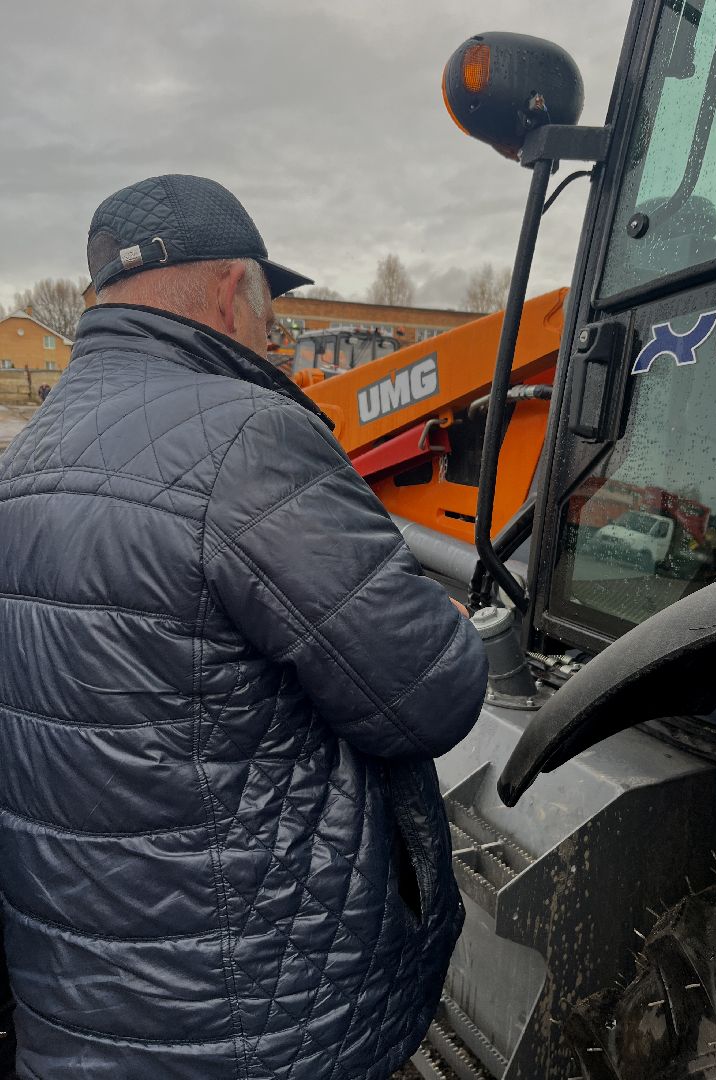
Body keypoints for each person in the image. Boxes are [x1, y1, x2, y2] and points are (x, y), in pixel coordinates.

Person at [0, 175, 488, 1080]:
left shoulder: (25, 457)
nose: (276, 337)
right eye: (272, 312)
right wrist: (449, 627)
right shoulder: (247, 439)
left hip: (75, 1012)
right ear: (231, 289)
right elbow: (429, 699)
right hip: (249, 1022)